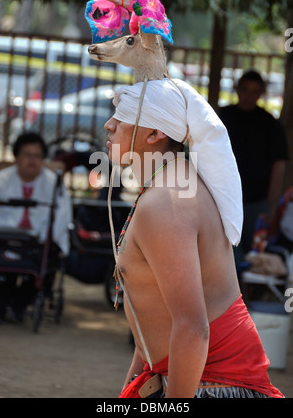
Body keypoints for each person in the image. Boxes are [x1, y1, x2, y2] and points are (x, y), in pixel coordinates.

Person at [104, 77, 284, 398]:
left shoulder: (167, 201)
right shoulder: (172, 183)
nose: (109, 124)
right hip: (190, 377)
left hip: (215, 385)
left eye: (122, 117)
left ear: (154, 134)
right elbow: (156, 316)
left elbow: (193, 328)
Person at [0, 132, 72, 323]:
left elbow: (62, 216)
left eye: (37, 156)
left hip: (39, 242)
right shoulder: (0, 181)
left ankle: (19, 306)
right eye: (27, 155)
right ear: (17, 157)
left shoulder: (54, 184)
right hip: (4, 240)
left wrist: (45, 237)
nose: (31, 160)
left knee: (43, 264)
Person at [219, 70, 289, 261]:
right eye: (245, 89)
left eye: (255, 91)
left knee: (256, 257)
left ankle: (251, 292)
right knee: (223, 254)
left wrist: (271, 201)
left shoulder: (270, 124)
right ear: (237, 90)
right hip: (223, 199)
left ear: (261, 94)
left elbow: (279, 163)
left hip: (257, 202)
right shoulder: (221, 117)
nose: (249, 95)